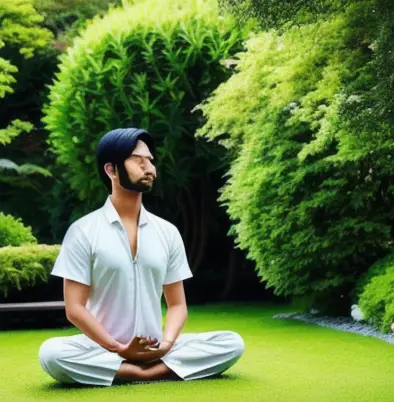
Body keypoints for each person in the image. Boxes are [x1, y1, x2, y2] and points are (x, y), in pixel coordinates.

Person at [38, 128, 244, 386]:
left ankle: (140, 371)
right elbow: (75, 309)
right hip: (104, 348)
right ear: (111, 170)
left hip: (158, 346)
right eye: (139, 160)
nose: (150, 169)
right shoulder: (83, 231)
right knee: (52, 354)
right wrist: (119, 348)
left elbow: (178, 305)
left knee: (232, 343)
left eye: (151, 161)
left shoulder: (167, 232)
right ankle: (146, 372)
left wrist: (167, 345)